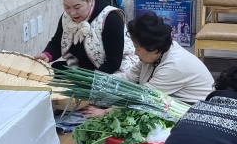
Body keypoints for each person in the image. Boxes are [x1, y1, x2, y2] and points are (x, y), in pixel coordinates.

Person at [84, 12, 213, 118]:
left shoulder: (174, 66)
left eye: (137, 48)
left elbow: (143, 98)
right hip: (170, 103)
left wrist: (106, 112)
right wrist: (93, 82)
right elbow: (128, 77)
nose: (135, 53)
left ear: (153, 48)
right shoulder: (154, 56)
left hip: (195, 113)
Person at [34, 0, 137, 74]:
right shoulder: (66, 17)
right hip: (86, 68)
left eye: (77, 7)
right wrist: (46, 55)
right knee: (56, 69)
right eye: (67, 7)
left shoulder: (110, 18)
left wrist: (90, 80)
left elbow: (113, 62)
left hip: (114, 71)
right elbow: (57, 43)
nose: (72, 13)